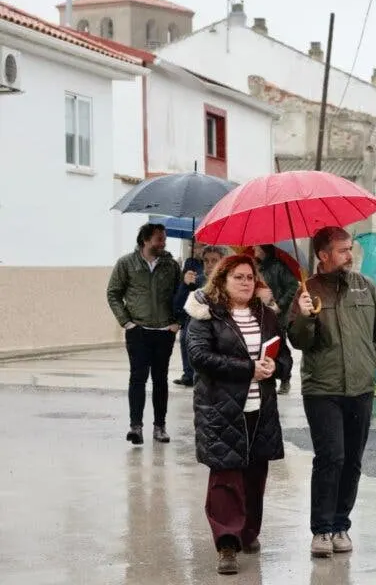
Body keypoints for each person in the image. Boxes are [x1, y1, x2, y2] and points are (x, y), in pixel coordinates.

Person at [185, 254, 293, 575]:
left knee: (255, 475)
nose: (246, 283)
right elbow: (200, 357)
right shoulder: (206, 314)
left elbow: (284, 357)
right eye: (239, 277)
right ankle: (227, 543)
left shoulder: (267, 316)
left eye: (250, 277)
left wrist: (276, 367)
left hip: (260, 409)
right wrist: (248, 369)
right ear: (222, 279)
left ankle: (248, 531)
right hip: (221, 409)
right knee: (225, 475)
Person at [289, 227, 376, 558]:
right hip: (323, 388)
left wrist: (375, 358)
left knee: (352, 460)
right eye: (343, 250)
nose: (351, 255)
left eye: (351, 249)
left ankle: (340, 525)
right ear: (323, 255)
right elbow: (299, 341)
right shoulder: (308, 291)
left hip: (361, 387)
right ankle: (321, 531)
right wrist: (305, 317)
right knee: (330, 456)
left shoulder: (367, 287)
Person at [106, 223, 181, 445]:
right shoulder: (126, 264)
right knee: (137, 378)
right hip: (138, 331)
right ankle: (135, 427)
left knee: (160, 380)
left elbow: (180, 295)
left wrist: (177, 322)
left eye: (164, 239)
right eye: (159, 239)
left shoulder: (171, 265)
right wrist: (126, 322)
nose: (163, 243)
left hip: (164, 331)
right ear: (145, 240)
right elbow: (113, 293)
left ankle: (160, 427)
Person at [173, 245, 228, 387]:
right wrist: (185, 285)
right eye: (206, 261)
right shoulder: (196, 280)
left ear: (222, 261)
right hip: (197, 328)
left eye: (214, 260)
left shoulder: (228, 281)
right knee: (185, 336)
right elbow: (178, 305)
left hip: (220, 329)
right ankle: (189, 374)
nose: (209, 265)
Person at [254, 245, 300, 393]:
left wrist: (279, 305)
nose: (254, 247)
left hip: (277, 316)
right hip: (261, 314)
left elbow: (293, 287)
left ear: (264, 249)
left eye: (257, 246)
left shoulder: (279, 266)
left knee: (280, 348)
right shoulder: (257, 268)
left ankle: (285, 378)